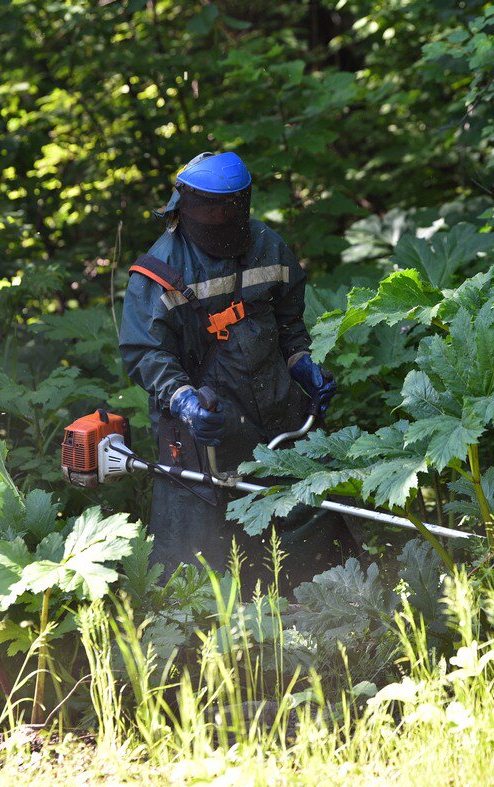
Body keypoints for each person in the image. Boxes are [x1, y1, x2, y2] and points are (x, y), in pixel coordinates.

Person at [118, 151, 355, 589]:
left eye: (228, 205)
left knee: (309, 523)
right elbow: (144, 353)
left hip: (280, 416)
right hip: (204, 429)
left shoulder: (269, 245)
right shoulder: (160, 270)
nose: (218, 215)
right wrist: (184, 401)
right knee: (203, 561)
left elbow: (289, 322)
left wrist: (302, 364)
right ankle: (219, 640)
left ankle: (326, 612)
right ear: (183, 203)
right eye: (207, 205)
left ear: (243, 202)